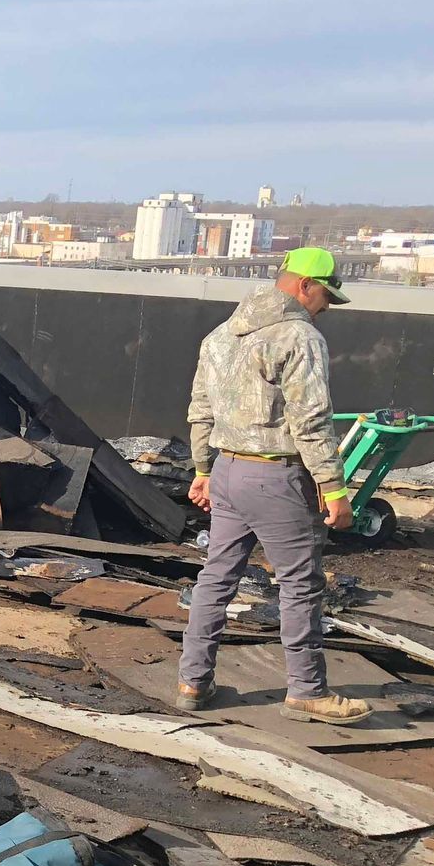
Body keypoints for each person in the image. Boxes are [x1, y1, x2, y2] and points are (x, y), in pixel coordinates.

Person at [175, 247, 370, 725]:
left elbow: (200, 411)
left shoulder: (220, 336)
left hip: (226, 470)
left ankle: (192, 680)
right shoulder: (300, 336)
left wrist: (203, 470)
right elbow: (312, 421)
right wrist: (334, 487)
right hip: (277, 476)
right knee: (301, 584)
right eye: (326, 294)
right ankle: (307, 690)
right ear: (304, 284)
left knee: (216, 577)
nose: (327, 305)